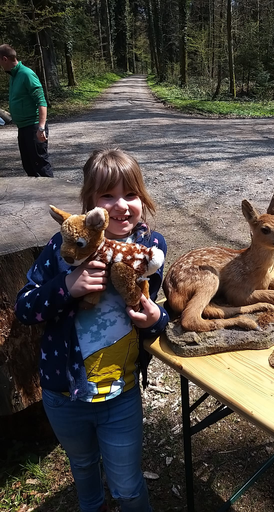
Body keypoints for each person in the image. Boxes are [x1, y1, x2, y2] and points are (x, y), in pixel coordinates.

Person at [15, 149, 169, 511]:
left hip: (121, 394)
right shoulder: (63, 248)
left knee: (129, 489)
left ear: (142, 199)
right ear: (90, 203)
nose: (121, 205)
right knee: (83, 467)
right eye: (107, 195)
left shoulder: (150, 248)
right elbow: (25, 307)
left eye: (130, 194)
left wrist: (156, 321)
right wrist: (67, 287)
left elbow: (152, 311)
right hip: (63, 394)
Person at [0, 44, 53, 177]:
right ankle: (37, 197)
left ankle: (51, 196)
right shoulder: (14, 76)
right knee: (28, 165)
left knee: (40, 165)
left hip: (34, 127)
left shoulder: (26, 74)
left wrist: (41, 128)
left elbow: (41, 102)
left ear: (4, 59)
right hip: (23, 128)